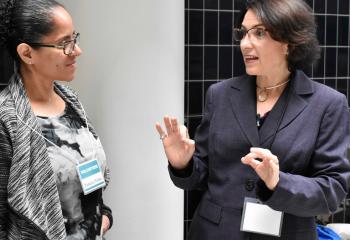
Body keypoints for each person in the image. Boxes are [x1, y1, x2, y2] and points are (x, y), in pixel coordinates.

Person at [155, 0, 350, 239]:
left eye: (259, 33)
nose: (245, 44)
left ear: (289, 42)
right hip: (215, 232)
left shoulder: (328, 104)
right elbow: (202, 175)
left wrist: (278, 182)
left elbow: (333, 191)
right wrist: (182, 165)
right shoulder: (220, 95)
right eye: (243, 33)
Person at [0, 0, 113, 239]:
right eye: (65, 44)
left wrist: (101, 216)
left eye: (75, 38)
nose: (77, 50)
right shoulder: (6, 119)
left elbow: (85, 170)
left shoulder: (70, 100)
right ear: (27, 53)